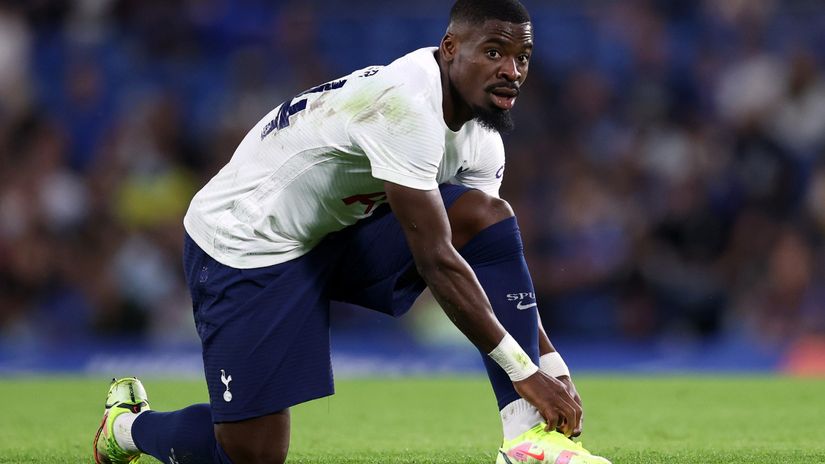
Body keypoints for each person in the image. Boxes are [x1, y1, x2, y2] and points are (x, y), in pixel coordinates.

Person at [93, 1, 611, 463]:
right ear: (450, 47)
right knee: (252, 453)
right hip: (247, 241)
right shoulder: (406, 106)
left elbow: (484, 261)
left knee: (485, 214)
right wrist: (525, 371)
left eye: (522, 58)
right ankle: (126, 428)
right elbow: (437, 260)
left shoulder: (481, 140)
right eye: (494, 52)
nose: (511, 71)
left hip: (334, 230)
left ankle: (526, 439)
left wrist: (549, 364)